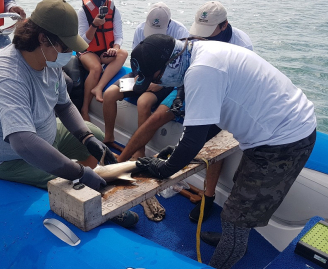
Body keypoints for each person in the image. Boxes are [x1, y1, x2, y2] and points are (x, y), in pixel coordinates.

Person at [133, 34, 316, 269]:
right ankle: (234, 240)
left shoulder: (202, 70)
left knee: (234, 216)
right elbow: (198, 111)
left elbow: (193, 139)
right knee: (242, 187)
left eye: (156, 76)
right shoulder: (196, 51)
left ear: (170, 62)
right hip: (272, 131)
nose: (160, 82)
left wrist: (164, 169)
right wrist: (178, 150)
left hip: (284, 141)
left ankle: (224, 258)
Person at [0, 0, 138, 228]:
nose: (69, 54)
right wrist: (77, 173)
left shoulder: (49, 61)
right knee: (68, 179)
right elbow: (23, 143)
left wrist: (86, 138)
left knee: (95, 134)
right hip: (10, 157)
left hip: (45, 133)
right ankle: (88, 192)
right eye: (66, 47)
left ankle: (90, 180)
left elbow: (65, 105)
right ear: (42, 39)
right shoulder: (7, 76)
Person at [117, 0, 254, 224]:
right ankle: (120, 164)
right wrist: (180, 93)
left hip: (221, 95)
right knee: (156, 117)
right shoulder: (193, 40)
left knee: (213, 142)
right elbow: (185, 61)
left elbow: (194, 136)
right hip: (187, 78)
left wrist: (164, 169)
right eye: (200, 33)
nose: (203, 37)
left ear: (224, 26)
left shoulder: (241, 44)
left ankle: (208, 197)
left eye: (209, 33)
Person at [102, 2, 189, 153]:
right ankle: (108, 138)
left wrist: (158, 85)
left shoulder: (181, 32)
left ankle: (139, 152)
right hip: (142, 77)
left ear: (169, 23)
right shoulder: (140, 29)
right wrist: (138, 78)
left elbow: (178, 72)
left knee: (143, 102)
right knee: (109, 94)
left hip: (164, 82)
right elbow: (136, 61)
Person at [77, 0, 128, 121]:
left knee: (123, 53)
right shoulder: (83, 11)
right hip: (87, 51)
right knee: (96, 68)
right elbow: (82, 42)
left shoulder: (113, 10)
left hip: (105, 51)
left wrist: (115, 48)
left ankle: (98, 88)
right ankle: (84, 109)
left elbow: (119, 36)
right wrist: (94, 25)